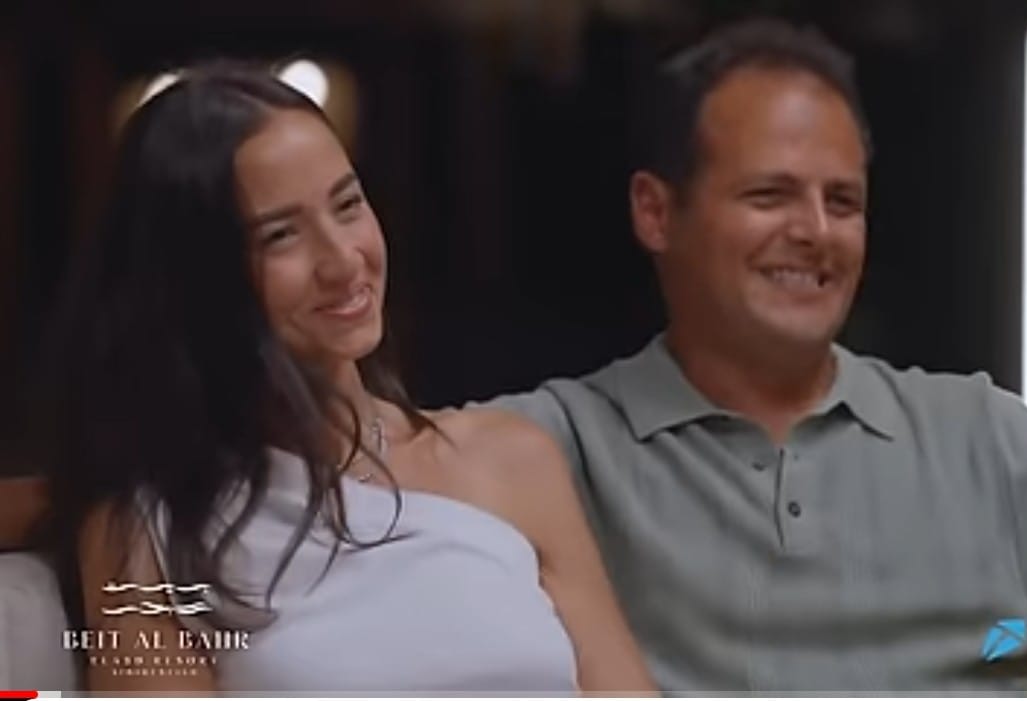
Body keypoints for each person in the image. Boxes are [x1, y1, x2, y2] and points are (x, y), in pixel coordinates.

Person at [483, 17, 1027, 693]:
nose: (816, 231)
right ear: (656, 212)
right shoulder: (553, 446)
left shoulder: (982, 440)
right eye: (770, 195)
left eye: (842, 202)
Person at [33, 63, 654, 695]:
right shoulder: (147, 529)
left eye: (348, 204)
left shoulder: (512, 458)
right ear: (197, 281)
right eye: (281, 235)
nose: (342, 261)